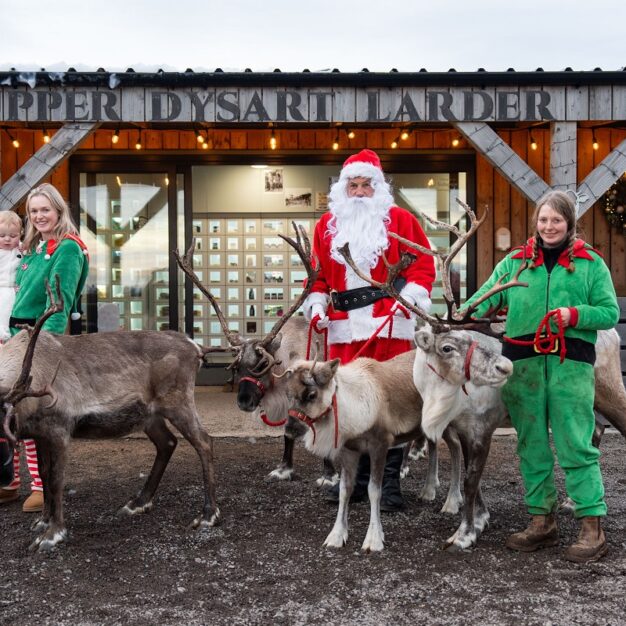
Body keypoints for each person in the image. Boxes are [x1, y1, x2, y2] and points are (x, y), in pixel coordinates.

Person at [464, 190, 619, 563]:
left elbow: (609, 312)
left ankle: (592, 528)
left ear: (569, 223)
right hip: (524, 369)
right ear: (536, 222)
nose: (549, 227)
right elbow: (485, 298)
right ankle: (541, 522)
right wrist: (460, 310)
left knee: (575, 446)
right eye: (543, 220)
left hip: (570, 367)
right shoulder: (514, 263)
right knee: (531, 446)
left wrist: (574, 316)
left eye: (557, 220)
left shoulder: (590, 264)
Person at [302, 149, 435, 512]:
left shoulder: (402, 221)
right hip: (344, 329)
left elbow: (424, 266)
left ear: (378, 188)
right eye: (353, 186)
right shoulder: (325, 226)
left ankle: (388, 483)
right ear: (343, 190)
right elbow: (316, 276)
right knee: (346, 401)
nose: (359, 193)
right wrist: (316, 306)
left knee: (390, 404)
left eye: (366, 185)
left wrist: (406, 300)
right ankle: (354, 481)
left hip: (389, 323)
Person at [0, 184, 89, 513]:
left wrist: (39, 350)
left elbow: (60, 303)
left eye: (44, 210)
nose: (38, 216)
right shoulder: (33, 249)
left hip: (36, 343)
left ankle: (41, 486)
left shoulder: (67, 249)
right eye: (33, 211)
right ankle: (9, 481)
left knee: (33, 416)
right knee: (9, 413)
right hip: (12, 341)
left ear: (58, 211)